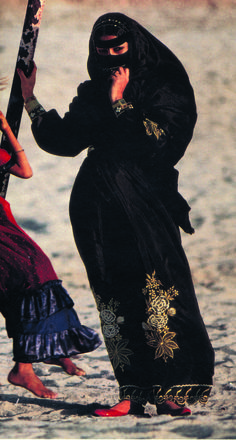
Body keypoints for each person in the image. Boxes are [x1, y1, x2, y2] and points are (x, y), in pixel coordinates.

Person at [18, 12, 214, 416]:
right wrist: (30, 99)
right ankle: (132, 391)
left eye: (117, 47)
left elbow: (159, 144)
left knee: (159, 286)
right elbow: (66, 140)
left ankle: (171, 390)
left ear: (135, 45)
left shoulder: (167, 86)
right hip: (97, 205)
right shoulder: (93, 90)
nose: (108, 54)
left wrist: (120, 101)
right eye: (101, 47)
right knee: (113, 292)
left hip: (146, 200)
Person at [0, 103, 101, 399]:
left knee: (32, 280)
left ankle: (47, 352)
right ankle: (27, 367)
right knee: (31, 279)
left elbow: (24, 171)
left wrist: (6, 130)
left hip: (5, 226)